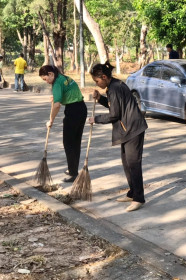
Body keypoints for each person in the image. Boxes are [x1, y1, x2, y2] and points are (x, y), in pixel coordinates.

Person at [89, 61, 148, 212]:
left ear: (103, 76)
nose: (97, 84)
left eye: (97, 81)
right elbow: (114, 106)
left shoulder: (115, 88)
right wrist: (100, 98)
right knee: (126, 162)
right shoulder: (113, 86)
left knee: (133, 163)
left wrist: (96, 119)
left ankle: (139, 198)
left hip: (133, 129)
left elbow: (114, 114)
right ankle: (132, 192)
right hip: (126, 129)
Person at [39, 65, 87, 183]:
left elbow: (57, 105)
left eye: (45, 79)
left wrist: (51, 120)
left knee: (68, 143)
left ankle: (73, 173)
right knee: (75, 142)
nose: (46, 82)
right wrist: (55, 97)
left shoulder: (56, 83)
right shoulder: (63, 77)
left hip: (73, 111)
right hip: (81, 108)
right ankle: (73, 168)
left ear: (51, 74)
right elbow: (64, 93)